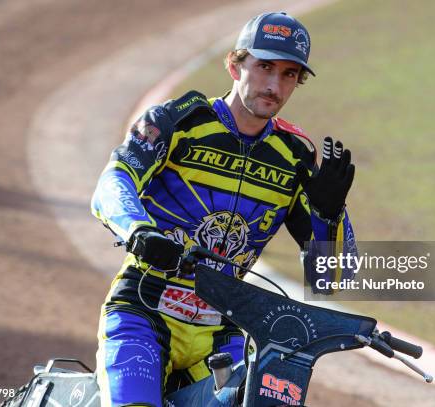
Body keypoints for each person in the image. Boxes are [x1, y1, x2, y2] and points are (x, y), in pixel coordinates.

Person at [91, 11, 357, 407]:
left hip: (224, 330)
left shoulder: (296, 156)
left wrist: (329, 215)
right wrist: (139, 231)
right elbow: (112, 184)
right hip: (144, 312)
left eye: (288, 74)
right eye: (264, 66)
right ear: (235, 65)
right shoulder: (178, 120)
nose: (274, 85)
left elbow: (334, 276)